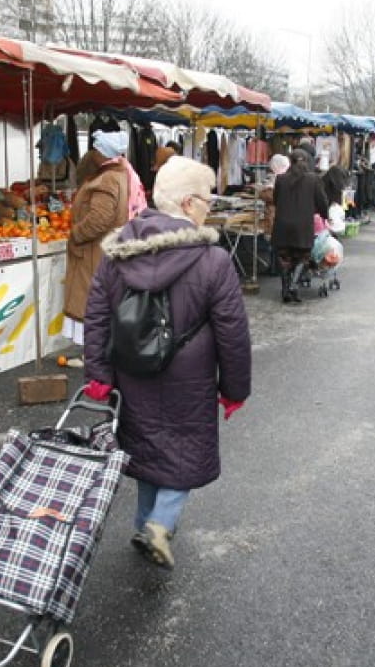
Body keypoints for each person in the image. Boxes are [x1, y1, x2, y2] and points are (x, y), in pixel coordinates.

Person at [80, 156, 252, 570]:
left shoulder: (118, 252)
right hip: (188, 379)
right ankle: (159, 525)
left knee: (147, 450)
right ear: (189, 203)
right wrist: (234, 390)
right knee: (183, 452)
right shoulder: (213, 261)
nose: (210, 206)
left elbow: (97, 316)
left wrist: (98, 376)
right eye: (207, 199)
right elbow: (232, 332)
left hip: (131, 372)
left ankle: (145, 523)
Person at [62, 130, 132, 347]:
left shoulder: (107, 179)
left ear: (101, 153)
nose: (91, 153)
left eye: (95, 149)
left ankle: (96, 362)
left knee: (91, 306)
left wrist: (76, 234)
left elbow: (100, 218)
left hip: (93, 252)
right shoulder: (118, 174)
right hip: (100, 250)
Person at [271, 144, 329, 304]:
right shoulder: (313, 179)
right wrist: (325, 216)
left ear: (290, 161)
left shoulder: (281, 179)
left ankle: (285, 289)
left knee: (284, 257)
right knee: (302, 257)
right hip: (303, 226)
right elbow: (322, 202)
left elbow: (275, 200)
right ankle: (293, 287)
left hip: (282, 224)